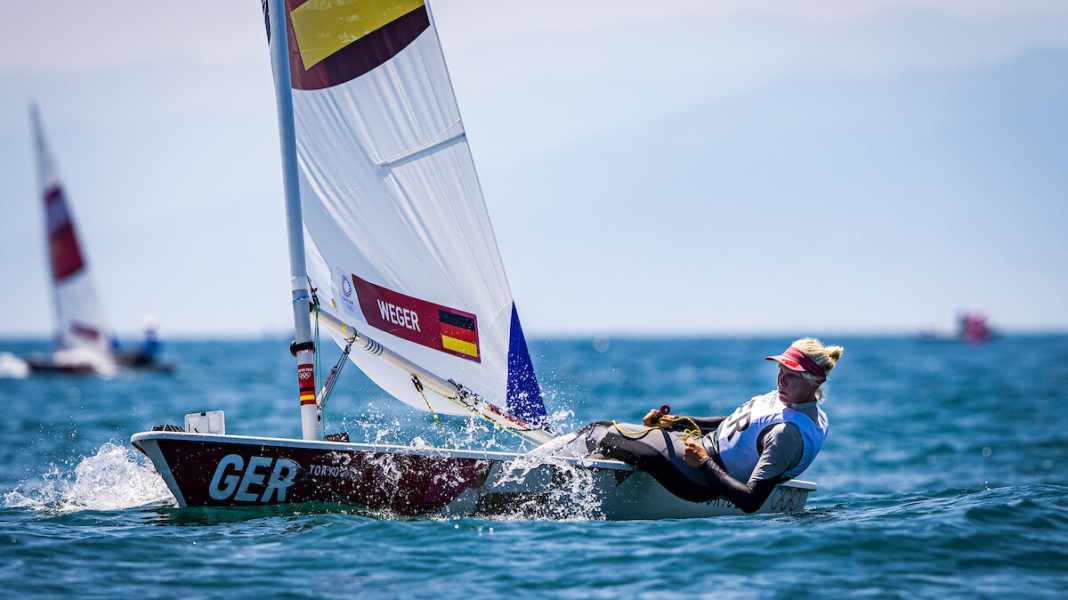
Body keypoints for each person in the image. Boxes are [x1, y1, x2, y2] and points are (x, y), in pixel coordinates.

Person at [561, 338, 841, 513]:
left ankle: (544, 475)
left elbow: (751, 502)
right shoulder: (787, 402)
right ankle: (598, 462)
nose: (780, 381)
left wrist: (704, 462)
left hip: (697, 477)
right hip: (698, 451)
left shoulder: (786, 434)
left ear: (815, 382)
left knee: (602, 433)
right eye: (780, 372)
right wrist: (677, 422)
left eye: (790, 376)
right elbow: (736, 427)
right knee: (611, 432)